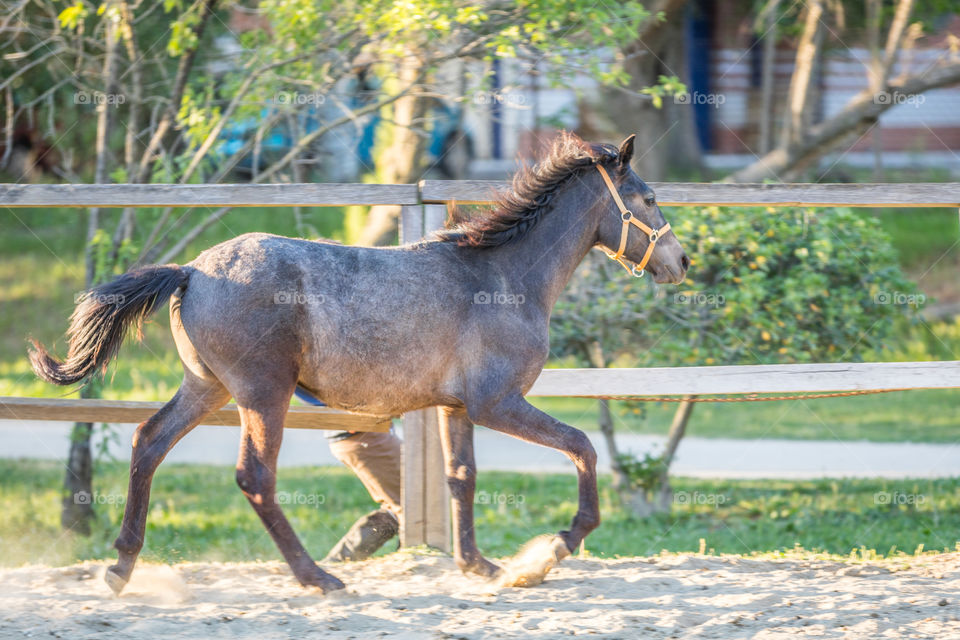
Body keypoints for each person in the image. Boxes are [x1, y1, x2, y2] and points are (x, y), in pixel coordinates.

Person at [293, 386, 403, 562]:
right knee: (411, 504)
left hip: (364, 434)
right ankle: (410, 560)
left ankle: (339, 561)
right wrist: (347, 408)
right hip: (363, 435)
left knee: (397, 506)